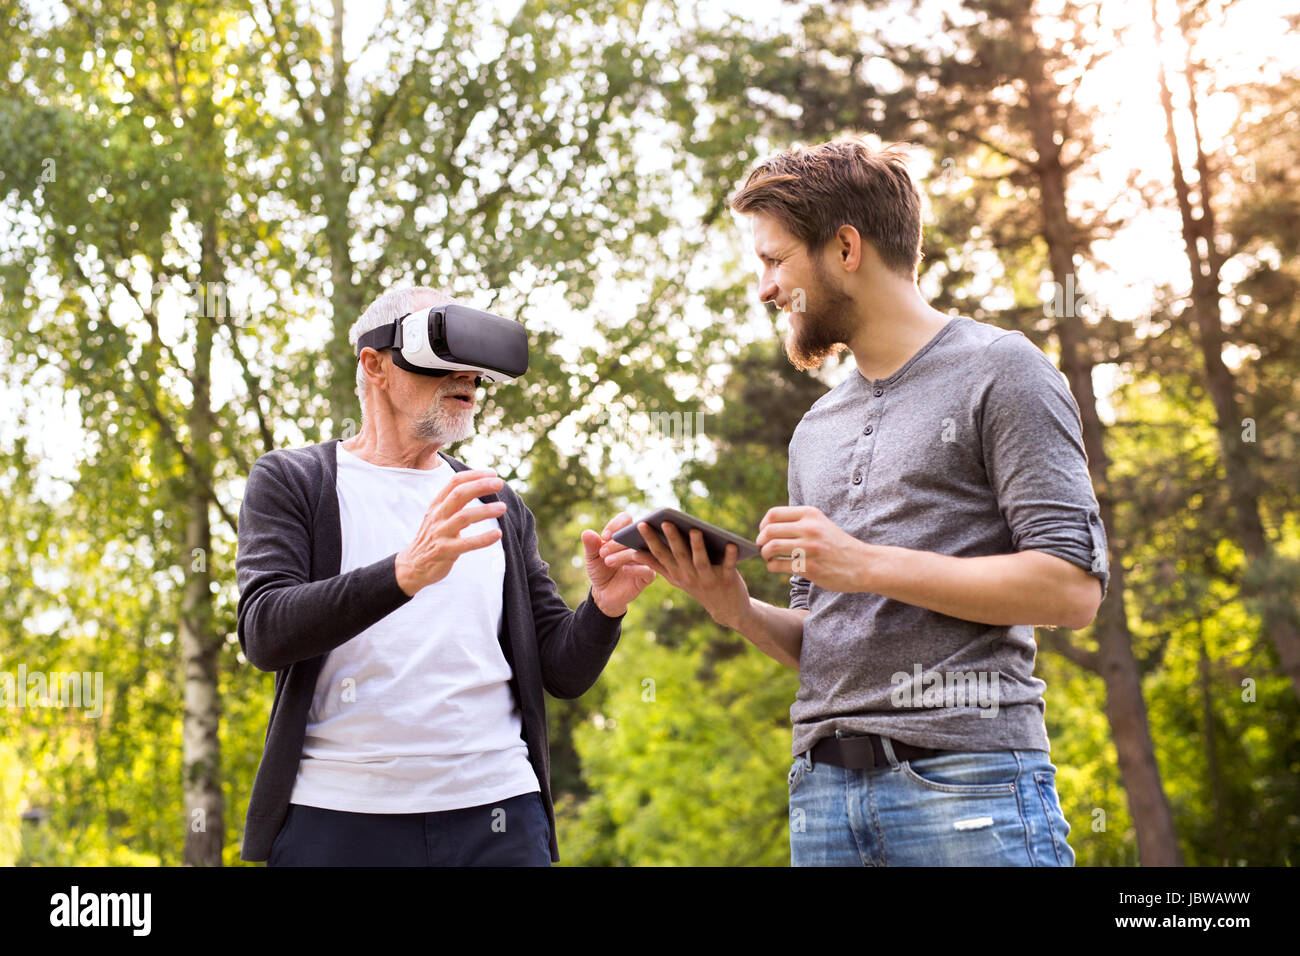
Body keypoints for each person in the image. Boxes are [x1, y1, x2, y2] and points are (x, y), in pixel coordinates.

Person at [602, 137, 1108, 866]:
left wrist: (865, 563)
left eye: (774, 261)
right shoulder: (816, 430)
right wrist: (733, 607)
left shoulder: (1003, 370)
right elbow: (826, 636)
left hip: (967, 790)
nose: (765, 289)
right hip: (821, 797)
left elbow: (1071, 590)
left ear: (845, 247)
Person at [235, 286, 655, 866]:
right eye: (445, 362)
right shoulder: (295, 481)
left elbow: (561, 671)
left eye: (478, 372)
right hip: (339, 820)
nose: (469, 381)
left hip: (498, 814)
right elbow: (264, 632)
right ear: (374, 364)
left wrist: (603, 607)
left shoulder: (494, 499)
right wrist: (404, 572)